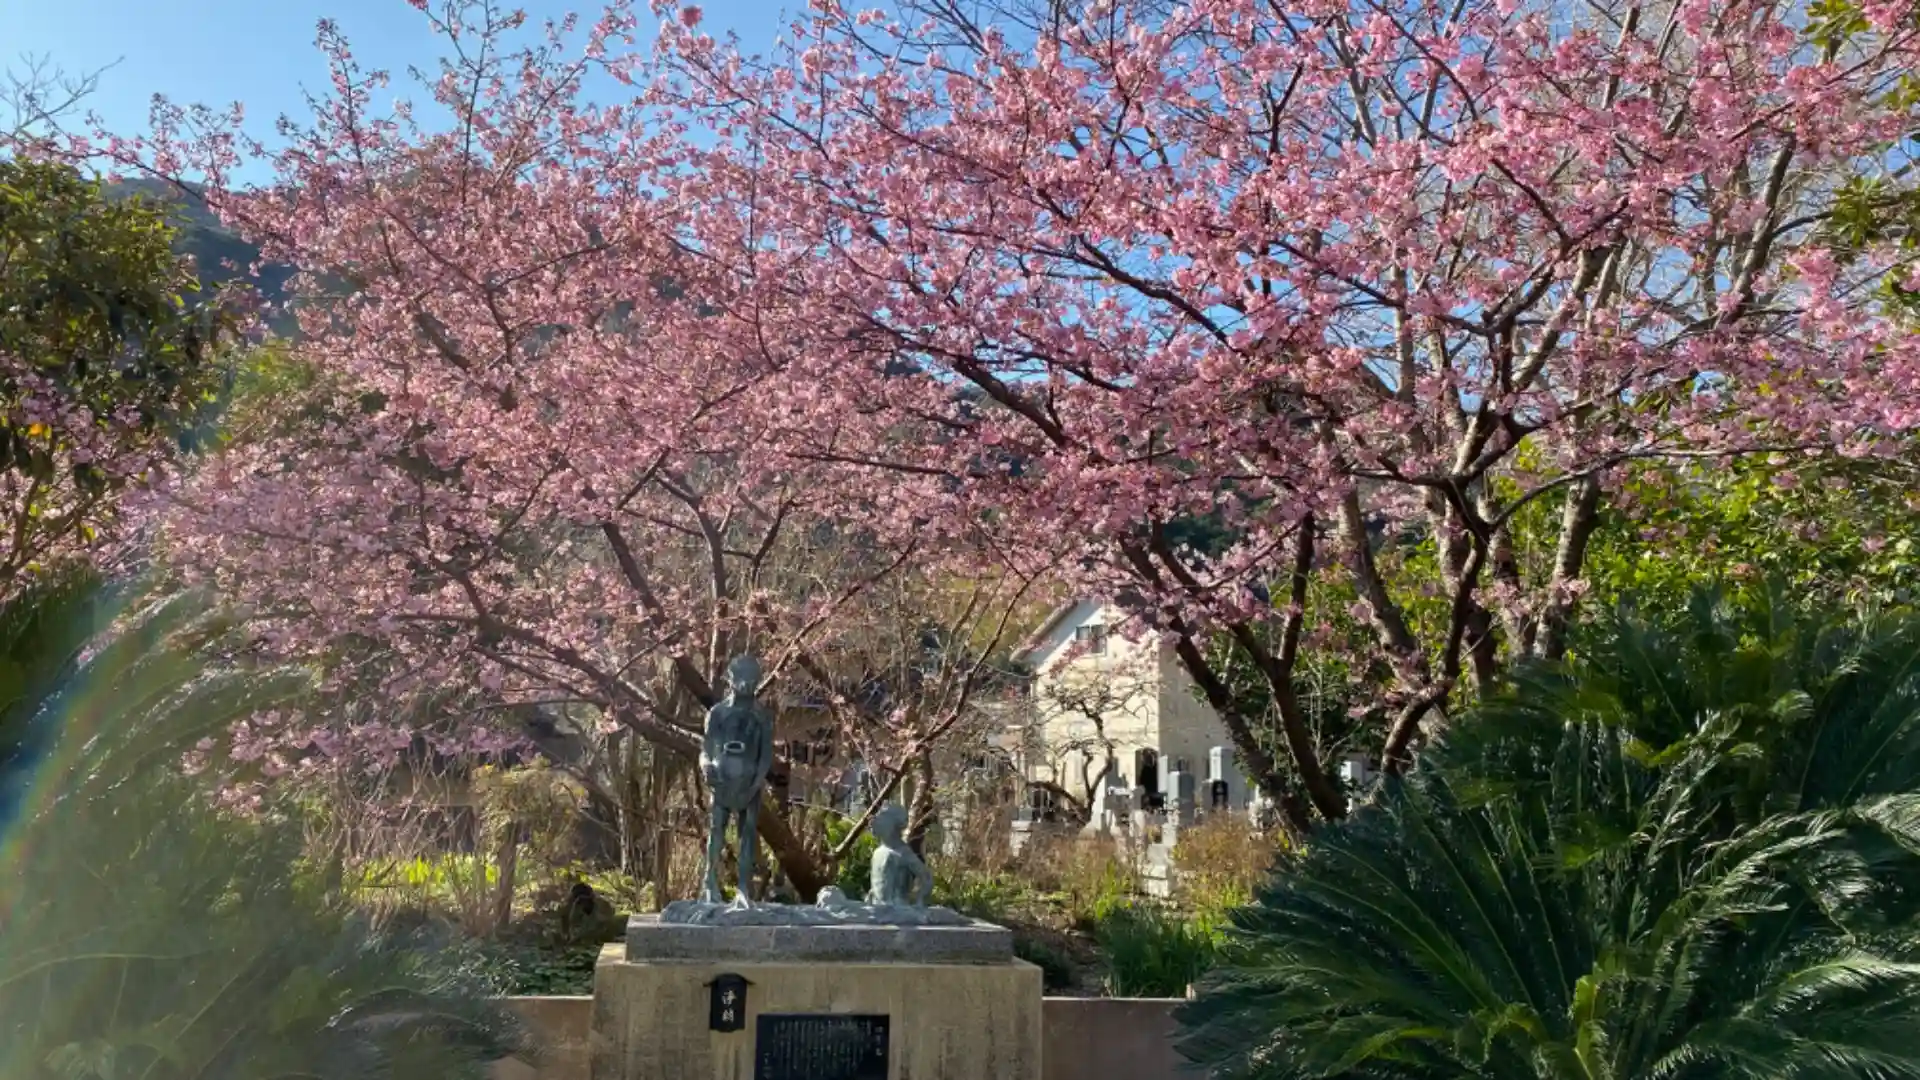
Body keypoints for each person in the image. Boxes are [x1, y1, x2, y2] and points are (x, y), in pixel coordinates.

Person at [700, 655, 774, 904]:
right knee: (716, 830)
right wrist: (706, 766)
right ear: (730, 679)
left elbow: (766, 755)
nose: (747, 684)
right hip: (721, 781)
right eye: (742, 678)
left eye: (752, 679)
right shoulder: (718, 713)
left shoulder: (762, 716)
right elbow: (706, 749)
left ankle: (744, 888)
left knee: (748, 835)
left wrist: (756, 783)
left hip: (749, 783)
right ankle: (710, 883)